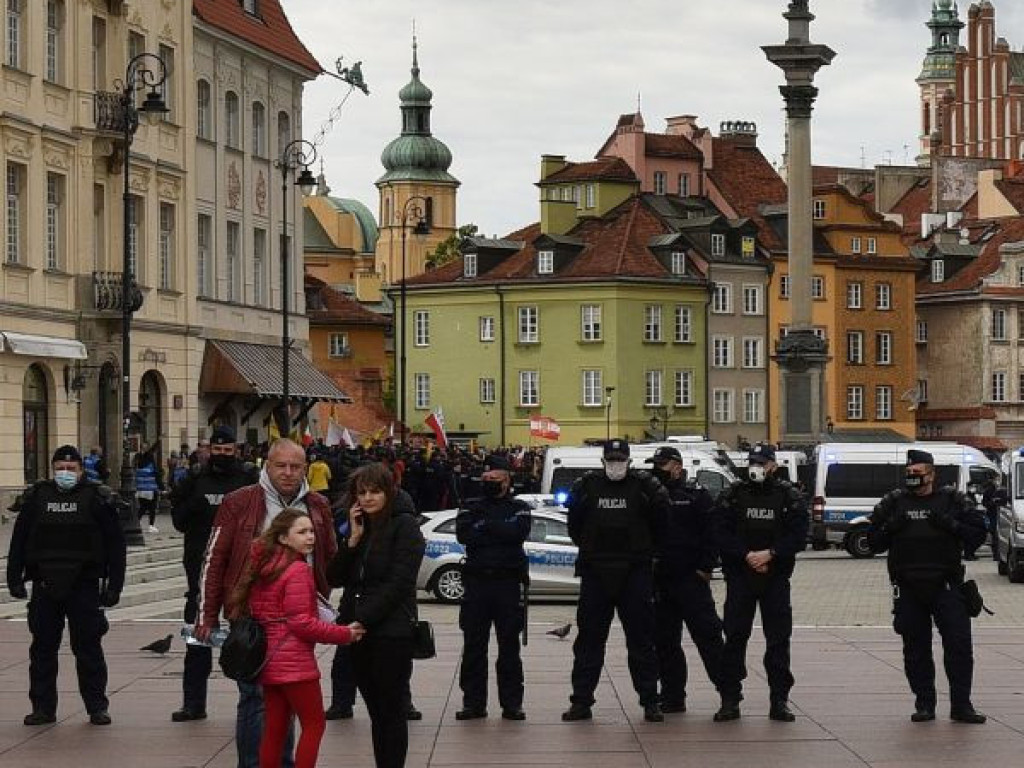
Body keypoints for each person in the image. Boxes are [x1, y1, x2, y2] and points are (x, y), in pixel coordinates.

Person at [195, 438, 336, 768]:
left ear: (305, 468)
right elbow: (214, 559)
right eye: (280, 465)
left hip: (300, 621)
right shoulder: (240, 502)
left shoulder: (317, 505)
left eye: (296, 466)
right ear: (266, 465)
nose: (288, 473)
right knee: (255, 699)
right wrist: (207, 615)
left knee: (283, 700)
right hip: (252, 621)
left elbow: (329, 557)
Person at [231, 508, 365, 768]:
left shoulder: (265, 567)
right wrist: (345, 634)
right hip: (295, 664)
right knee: (314, 724)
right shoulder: (297, 570)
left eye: (311, 531)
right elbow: (301, 623)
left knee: (275, 729)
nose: (310, 537)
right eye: (302, 532)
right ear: (283, 538)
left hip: (268, 660)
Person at [6, 445, 127, 726]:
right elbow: (20, 541)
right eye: (60, 467)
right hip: (45, 584)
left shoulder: (96, 498)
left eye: (71, 469)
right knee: (42, 650)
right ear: (52, 469)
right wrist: (14, 578)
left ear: (81, 471)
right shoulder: (37, 497)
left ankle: (96, 706)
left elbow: (115, 545)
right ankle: (42, 708)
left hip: (83, 584)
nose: (65, 473)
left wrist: (114, 586)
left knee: (88, 649)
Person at [868, 449, 988, 724]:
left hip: (946, 586)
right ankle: (925, 703)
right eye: (909, 473)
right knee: (915, 648)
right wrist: (891, 528)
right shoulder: (894, 502)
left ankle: (961, 705)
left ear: (932, 474)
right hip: (909, 587)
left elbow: (978, 535)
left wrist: (950, 524)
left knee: (958, 647)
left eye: (918, 473)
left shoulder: (953, 500)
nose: (913, 478)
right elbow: (872, 542)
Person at [562, 439, 670, 723]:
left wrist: (646, 553)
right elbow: (575, 527)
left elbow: (662, 524)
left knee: (641, 641)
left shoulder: (645, 487)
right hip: (596, 572)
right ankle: (581, 701)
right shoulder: (586, 487)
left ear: (629, 460)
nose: (615, 464)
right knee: (588, 642)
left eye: (620, 459)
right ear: (603, 461)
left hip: (634, 572)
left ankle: (650, 701)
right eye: (611, 459)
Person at [328, 463, 426, 768]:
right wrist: (352, 540)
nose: (368, 498)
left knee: (391, 709)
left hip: (390, 632)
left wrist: (362, 619)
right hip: (357, 633)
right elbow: (334, 577)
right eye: (362, 493)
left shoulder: (405, 526)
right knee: (375, 710)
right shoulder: (363, 529)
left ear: (389, 492)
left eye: (375, 491)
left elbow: (398, 583)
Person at [712, 444, 808, 723]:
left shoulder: (788, 496)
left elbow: (798, 535)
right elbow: (720, 531)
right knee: (734, 639)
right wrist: (746, 555)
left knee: (778, 641)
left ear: (773, 466)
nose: (757, 467)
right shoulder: (734, 495)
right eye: (753, 461)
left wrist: (771, 554)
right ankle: (730, 699)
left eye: (762, 462)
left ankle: (779, 700)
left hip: (775, 577)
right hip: (741, 577)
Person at [169, 425, 257, 722]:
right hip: (200, 570)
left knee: (246, 639)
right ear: (208, 449)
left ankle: (251, 702)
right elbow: (178, 521)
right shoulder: (195, 479)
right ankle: (193, 703)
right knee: (198, 638)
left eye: (227, 451)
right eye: (216, 450)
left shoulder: (248, 478)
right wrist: (195, 504)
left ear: (236, 450)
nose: (221, 455)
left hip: (240, 572)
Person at [645, 446, 725, 714]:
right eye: (656, 464)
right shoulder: (650, 496)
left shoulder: (696, 497)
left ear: (678, 466)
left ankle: (729, 695)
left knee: (709, 639)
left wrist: (705, 568)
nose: (658, 469)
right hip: (662, 580)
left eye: (663, 464)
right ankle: (672, 696)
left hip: (691, 579)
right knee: (665, 642)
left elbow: (713, 534)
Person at [454, 454, 532, 721]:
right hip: (477, 583)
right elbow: (465, 536)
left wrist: (486, 526)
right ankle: (473, 703)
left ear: (507, 481)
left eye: (495, 479)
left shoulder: (519, 506)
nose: (489, 483)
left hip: (507, 583)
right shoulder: (469, 505)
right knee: (474, 646)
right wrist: (498, 529)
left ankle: (512, 703)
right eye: (485, 479)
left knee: (509, 646)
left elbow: (518, 533)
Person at [135, 445, 164, 533]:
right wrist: (162, 488)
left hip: (141, 490)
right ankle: (151, 525)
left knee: (143, 507)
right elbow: (157, 477)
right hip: (151, 489)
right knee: (152, 508)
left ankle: (137, 522)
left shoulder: (139, 464)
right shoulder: (151, 466)